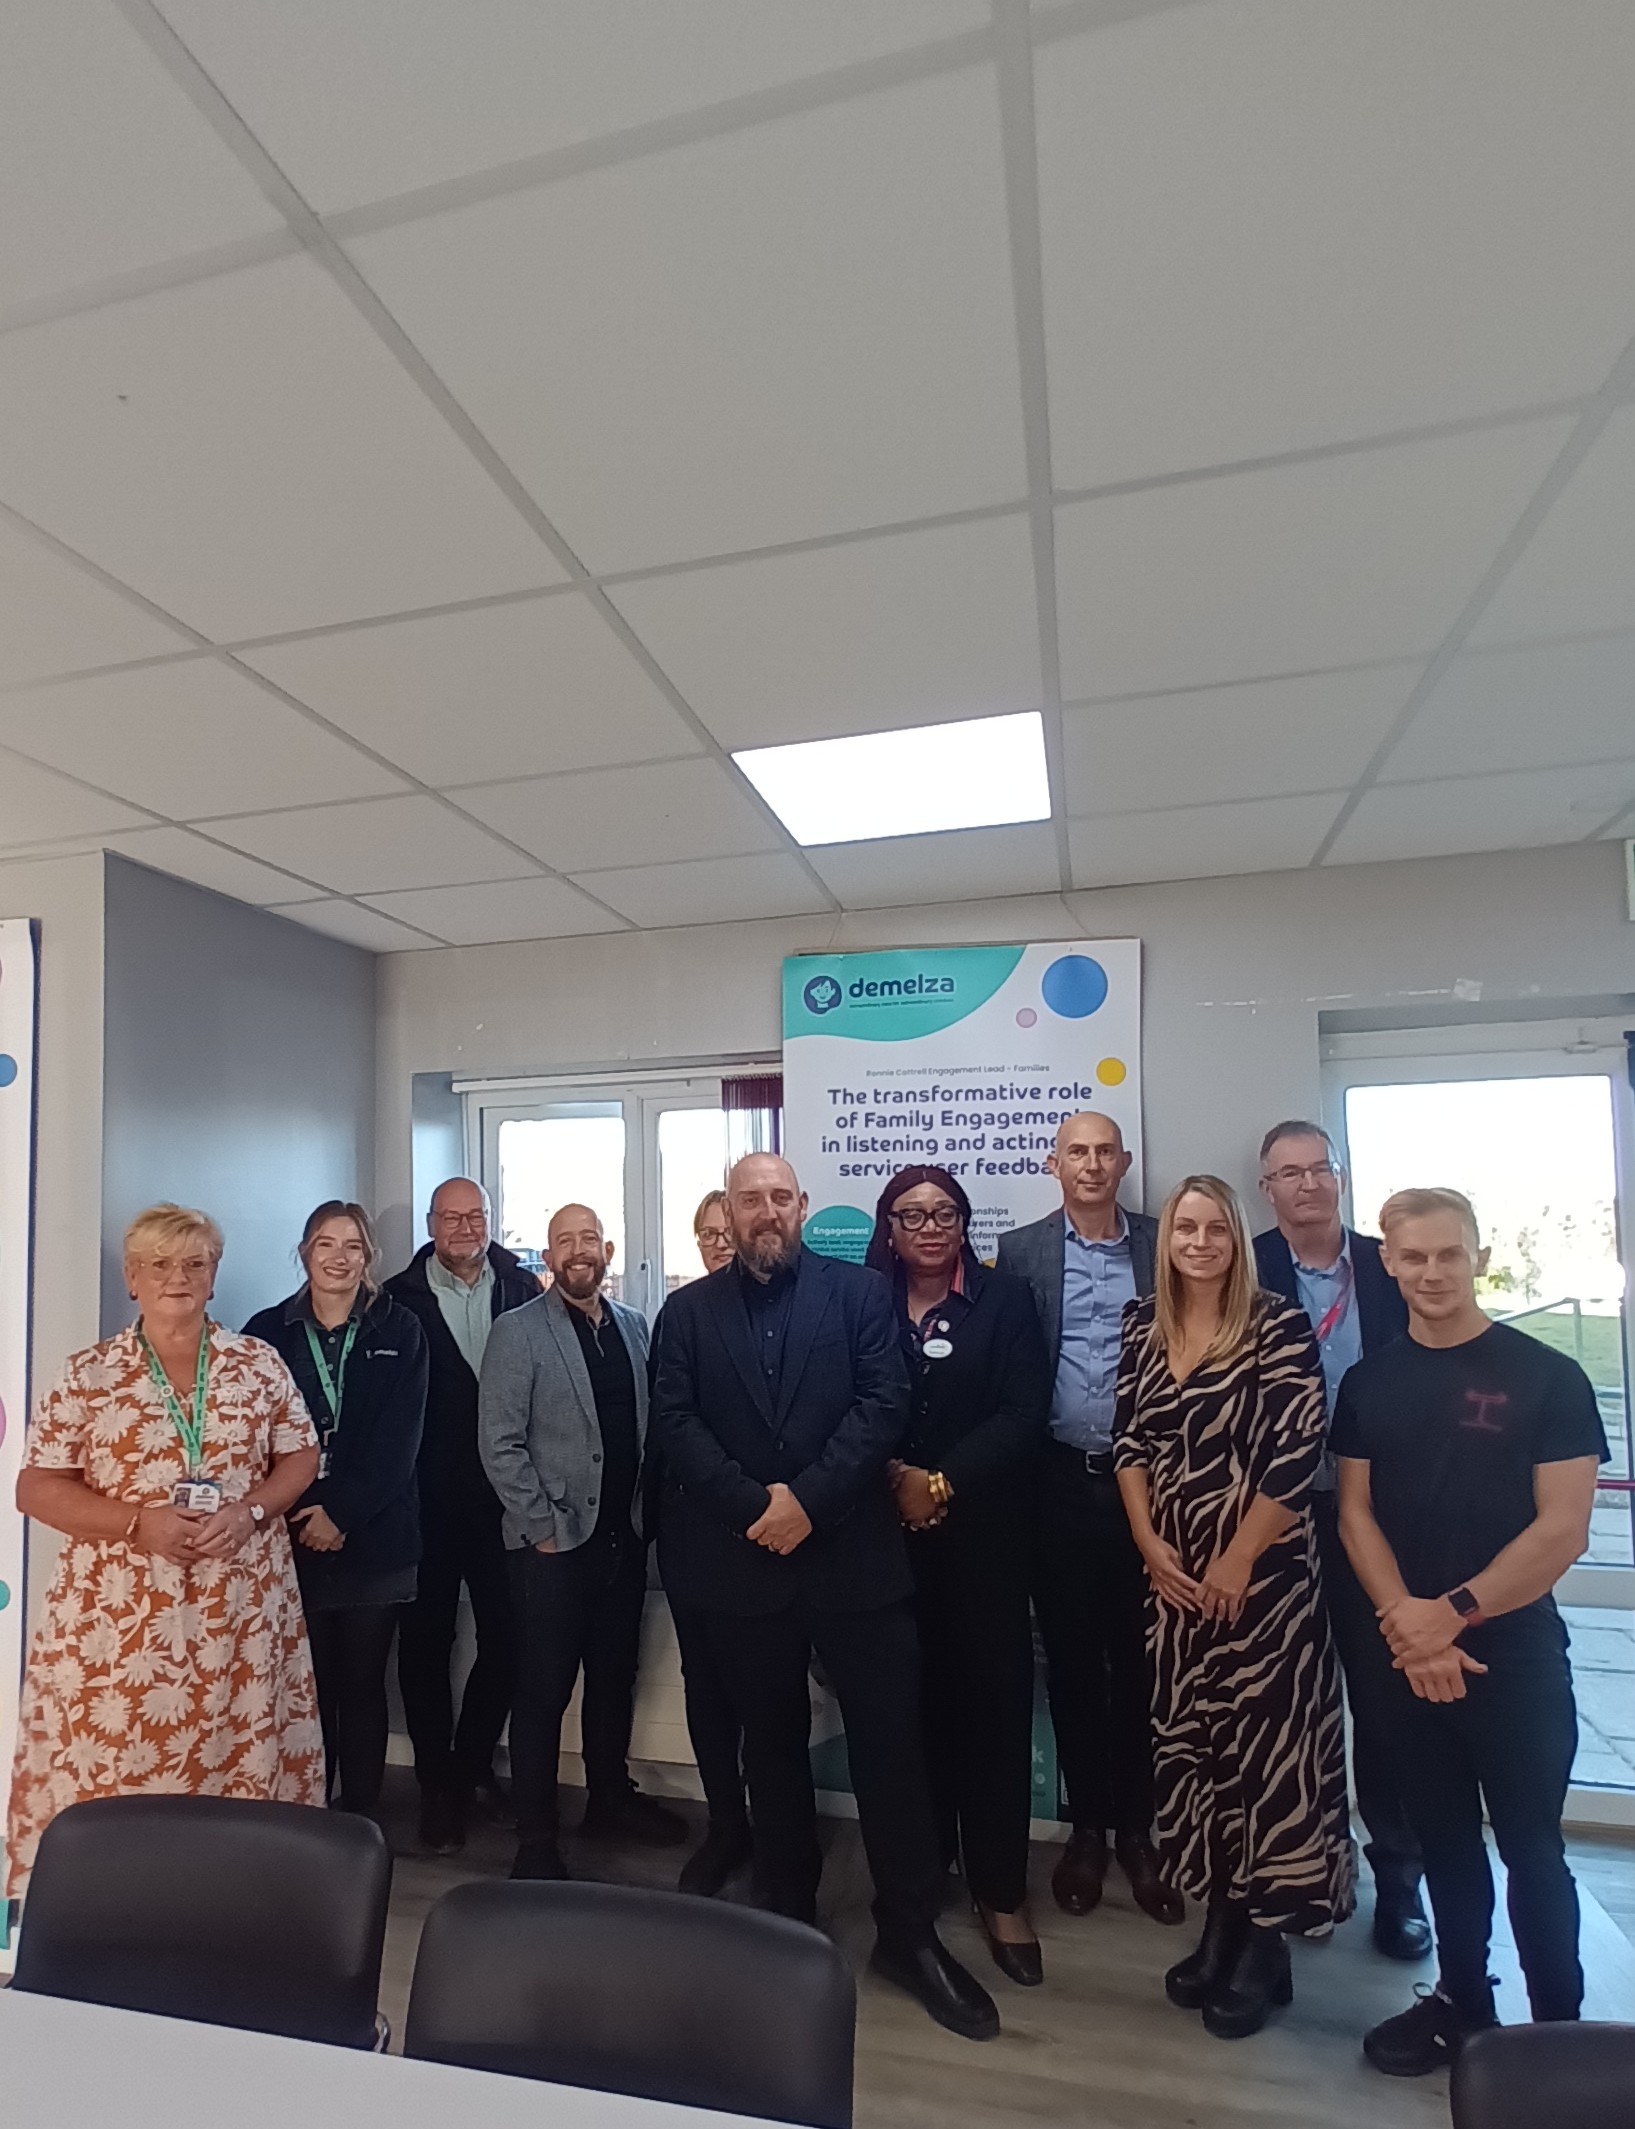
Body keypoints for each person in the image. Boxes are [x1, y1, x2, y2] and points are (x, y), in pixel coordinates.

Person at [652, 1154, 999, 2041]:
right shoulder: (687, 1313)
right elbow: (677, 1423)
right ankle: (788, 1915)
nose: (764, 1211)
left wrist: (806, 1500)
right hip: (744, 1565)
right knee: (768, 1751)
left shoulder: (857, 1294)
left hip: (852, 1563)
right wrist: (755, 1507)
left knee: (893, 1751)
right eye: (747, 1198)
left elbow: (884, 1406)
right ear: (726, 1212)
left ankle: (909, 1934)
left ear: (801, 1206)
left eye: (779, 1196)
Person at [1335, 1188, 1606, 2077]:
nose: (1431, 1272)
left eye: (1448, 1254)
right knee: (1444, 1839)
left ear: (1477, 1254)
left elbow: (1561, 1529)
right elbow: (1355, 1514)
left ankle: (1559, 2032)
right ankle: (1462, 2001)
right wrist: (1408, 1630)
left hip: (1512, 1651)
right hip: (1406, 1653)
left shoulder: (1546, 1377)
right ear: (1387, 1261)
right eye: (1412, 1256)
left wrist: (1445, 1616)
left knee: (1531, 1845)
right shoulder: (1368, 1380)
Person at [6, 1204, 324, 1896]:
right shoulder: (89, 1373)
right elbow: (34, 1487)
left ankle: (229, 1913)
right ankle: (105, 1912)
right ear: (131, 1278)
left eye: (193, 1262)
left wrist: (251, 1508)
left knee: (239, 1772)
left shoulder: (257, 1362)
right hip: (119, 1632)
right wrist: (134, 1523)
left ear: (214, 1276)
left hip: (239, 1614)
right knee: (118, 1776)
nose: (176, 1277)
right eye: (158, 1263)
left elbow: (301, 1453)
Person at [1114, 1175, 1355, 2039]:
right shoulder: (1142, 1321)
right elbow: (1130, 1441)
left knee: (1268, 1764)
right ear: (1167, 1236)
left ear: (1236, 1236)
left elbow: (1296, 1453)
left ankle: (1266, 1945)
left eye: (1216, 1226)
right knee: (1197, 1752)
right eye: (1186, 1225)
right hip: (1175, 1585)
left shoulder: (1278, 1323)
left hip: (1266, 1585)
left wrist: (1236, 1559)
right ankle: (1220, 1920)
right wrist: (1147, 1542)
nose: (1201, 1240)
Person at [865, 1166, 1050, 1986]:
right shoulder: (861, 1302)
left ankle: (1002, 1889)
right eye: (912, 1214)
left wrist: (938, 1482)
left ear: (965, 1223)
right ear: (890, 1227)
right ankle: (925, 1870)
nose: (930, 1226)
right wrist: (895, 1478)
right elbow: (847, 1404)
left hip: (986, 1538)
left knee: (993, 1712)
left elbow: (1022, 1411)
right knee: (910, 1715)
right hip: (886, 1544)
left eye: (945, 1213)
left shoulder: (1005, 1302)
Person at [995, 1113, 1182, 1925]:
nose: (1093, 1163)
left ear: (1125, 1161)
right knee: (1071, 1665)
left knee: (1142, 1667)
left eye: (1105, 1150)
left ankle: (1140, 1830)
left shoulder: (1164, 1240)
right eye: (1077, 1150)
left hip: (1159, 1487)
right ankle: (1086, 1832)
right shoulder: (1022, 1249)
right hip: (1059, 1483)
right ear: (1054, 1163)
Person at [1252, 1120, 1427, 1963]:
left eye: (1317, 1168)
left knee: (1381, 1701)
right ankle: (1302, 1874)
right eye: (1286, 1173)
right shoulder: (1243, 1264)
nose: (1305, 1184)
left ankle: (1399, 1881)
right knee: (1285, 1706)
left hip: (1375, 1514)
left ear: (1340, 1177)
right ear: (1266, 1190)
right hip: (1271, 1518)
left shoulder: (1388, 1266)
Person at [479, 1202, 686, 1880]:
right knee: (543, 1689)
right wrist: (540, 1526)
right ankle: (535, 1837)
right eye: (563, 1240)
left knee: (612, 1679)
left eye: (588, 1238)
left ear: (607, 1249)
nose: (577, 1250)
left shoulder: (632, 1326)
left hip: (620, 1539)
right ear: (547, 1254)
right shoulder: (517, 1333)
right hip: (551, 1546)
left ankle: (608, 1796)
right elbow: (499, 1443)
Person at [243, 1201, 428, 1820]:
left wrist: (340, 1515)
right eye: (326, 1245)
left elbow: (400, 1442)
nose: (339, 1258)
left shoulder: (400, 1329)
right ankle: (309, 1814)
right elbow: (251, 1438)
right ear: (305, 1253)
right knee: (305, 1688)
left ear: (369, 1258)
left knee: (363, 1685)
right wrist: (304, 1512)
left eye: (353, 1246)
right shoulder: (267, 1332)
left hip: (375, 1538)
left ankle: (362, 1822)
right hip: (290, 1535)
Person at [386, 1176, 538, 1854]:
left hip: (506, 1504)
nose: (464, 1227)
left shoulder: (523, 1286)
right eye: (450, 1217)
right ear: (430, 1223)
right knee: (424, 1649)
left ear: (489, 1219)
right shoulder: (395, 1299)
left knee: (510, 1641)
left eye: (475, 1215)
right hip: (425, 1507)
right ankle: (435, 1788)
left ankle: (472, 1761)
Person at [654, 1189, 752, 1899]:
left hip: (777, 1531)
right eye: (708, 1235)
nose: (720, 1244)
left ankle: (775, 1828)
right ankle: (725, 1824)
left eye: (730, 1232)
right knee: (708, 1687)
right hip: (697, 1534)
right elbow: (673, 1423)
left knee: (771, 1697)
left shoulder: (786, 1310)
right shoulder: (680, 1315)